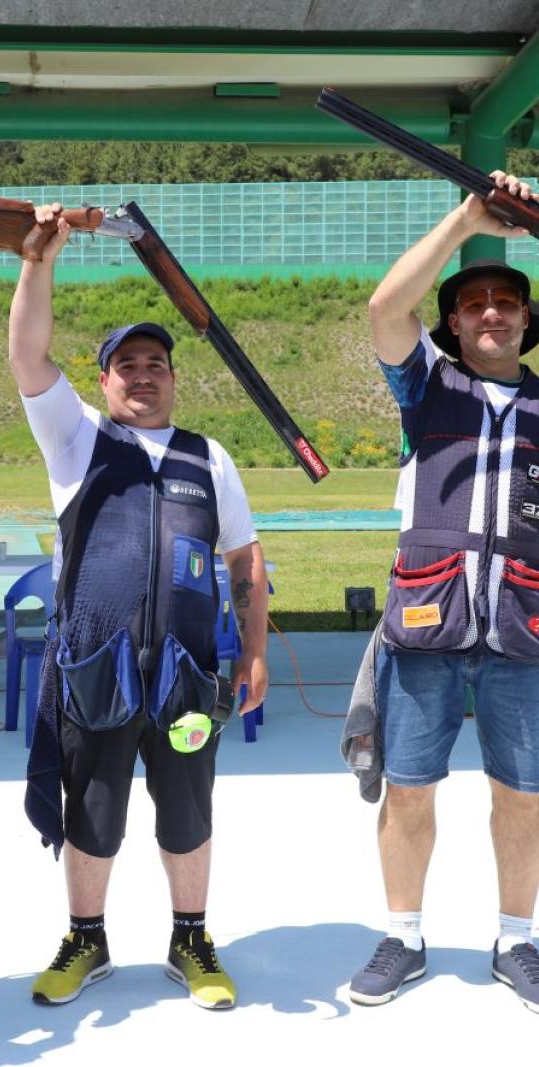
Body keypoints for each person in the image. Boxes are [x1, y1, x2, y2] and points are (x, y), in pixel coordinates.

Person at [8, 205, 269, 1011]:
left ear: (174, 378)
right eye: (127, 364)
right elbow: (27, 353)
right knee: (91, 811)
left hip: (187, 677)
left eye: (157, 362)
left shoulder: (208, 456)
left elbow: (246, 559)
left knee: (189, 811)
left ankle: (191, 937)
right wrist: (38, 262)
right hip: (98, 670)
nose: (144, 374)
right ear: (104, 379)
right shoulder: (76, 439)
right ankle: (85, 937)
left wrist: (253, 651)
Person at [348, 172, 539, 1013]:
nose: (491, 312)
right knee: (409, 787)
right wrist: (469, 218)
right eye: (474, 303)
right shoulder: (425, 385)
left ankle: (517, 939)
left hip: (524, 629)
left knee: (523, 794)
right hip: (426, 624)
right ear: (454, 322)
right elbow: (385, 307)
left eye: (506, 301)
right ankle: (405, 935)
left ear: (526, 319)